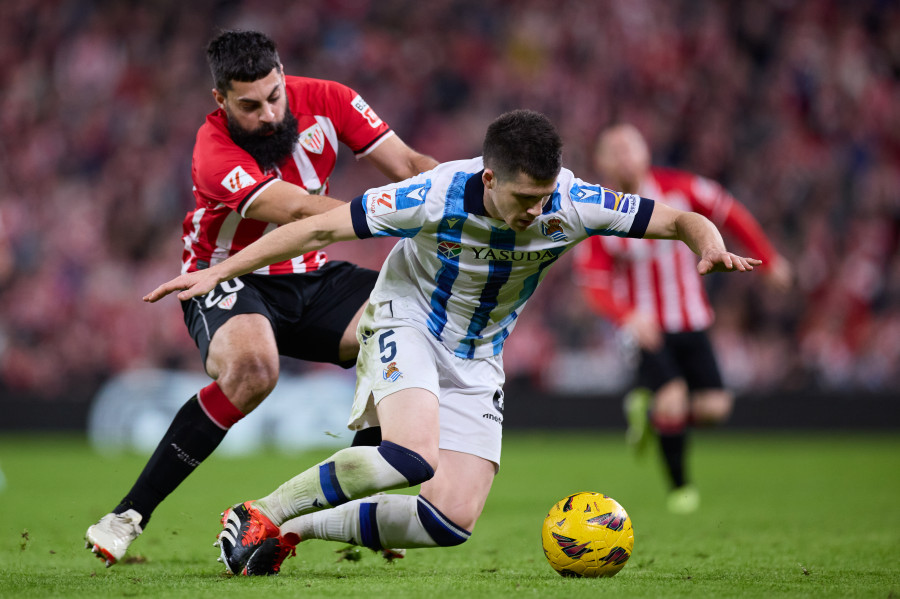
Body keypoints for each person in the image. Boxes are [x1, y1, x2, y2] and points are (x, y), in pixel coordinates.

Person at [143, 109, 762, 576]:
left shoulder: (573, 203)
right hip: (405, 319)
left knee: (448, 521)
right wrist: (218, 272)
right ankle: (263, 513)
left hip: (479, 354)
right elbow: (321, 227)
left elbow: (677, 217)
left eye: (543, 196)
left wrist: (706, 244)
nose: (534, 211)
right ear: (489, 177)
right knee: (412, 455)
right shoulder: (432, 194)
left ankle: (296, 529)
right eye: (523, 198)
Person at [84, 30, 437, 567]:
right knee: (253, 369)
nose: (270, 115)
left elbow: (410, 166)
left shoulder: (331, 99)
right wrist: (394, 217)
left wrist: (461, 199)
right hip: (225, 275)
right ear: (220, 102)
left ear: (282, 75)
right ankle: (128, 514)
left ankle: (327, 511)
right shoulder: (212, 151)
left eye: (275, 96)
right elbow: (297, 211)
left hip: (312, 275)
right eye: (250, 106)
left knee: (403, 328)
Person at [573, 123, 792, 514]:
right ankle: (681, 490)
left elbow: (731, 213)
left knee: (715, 408)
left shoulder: (681, 188)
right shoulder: (595, 212)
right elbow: (594, 284)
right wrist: (627, 317)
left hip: (691, 320)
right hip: (645, 329)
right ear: (601, 161)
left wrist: (769, 258)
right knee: (673, 398)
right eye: (615, 149)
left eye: (630, 147)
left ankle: (649, 412)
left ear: (645, 152)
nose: (624, 155)